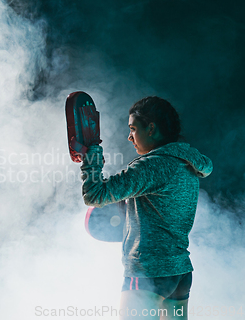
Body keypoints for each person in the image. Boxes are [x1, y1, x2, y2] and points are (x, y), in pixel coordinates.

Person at [78, 96, 212, 319]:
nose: (129, 137)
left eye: (133, 129)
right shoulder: (187, 163)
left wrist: (91, 157)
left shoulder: (152, 165)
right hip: (180, 274)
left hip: (149, 274)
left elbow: (95, 194)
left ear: (151, 128)